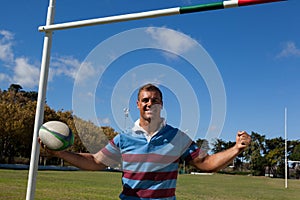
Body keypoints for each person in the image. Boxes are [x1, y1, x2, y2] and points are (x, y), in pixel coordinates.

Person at [39, 83, 251, 199]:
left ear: (162, 105)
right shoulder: (124, 138)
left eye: (155, 100)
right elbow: (95, 162)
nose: (150, 103)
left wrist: (236, 148)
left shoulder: (177, 137)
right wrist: (60, 153)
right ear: (138, 104)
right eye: (146, 100)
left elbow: (207, 164)